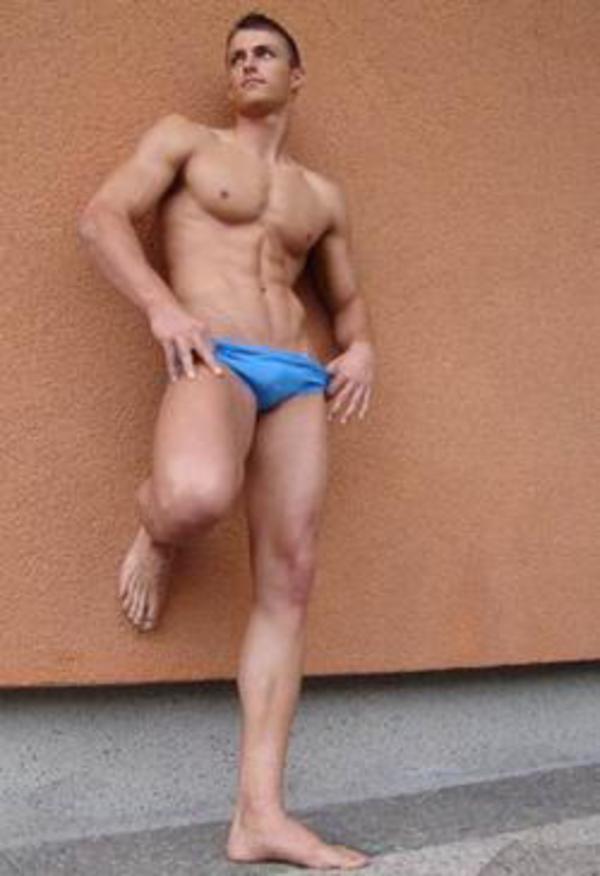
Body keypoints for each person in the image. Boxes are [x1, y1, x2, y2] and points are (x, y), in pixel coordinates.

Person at [77, 11, 376, 870]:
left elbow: (347, 301)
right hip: (215, 356)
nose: (247, 64)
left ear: (295, 76)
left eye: (264, 53)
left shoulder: (321, 195)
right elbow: (101, 218)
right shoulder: (186, 141)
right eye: (236, 55)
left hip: (298, 377)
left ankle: (260, 816)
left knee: (290, 579)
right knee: (195, 495)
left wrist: (361, 348)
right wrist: (162, 308)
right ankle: (156, 527)